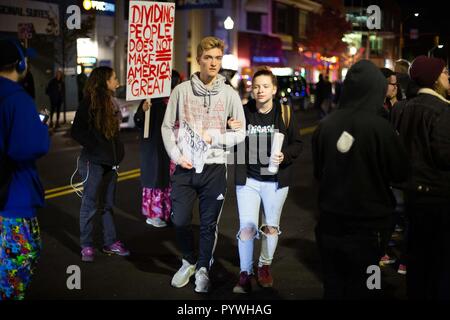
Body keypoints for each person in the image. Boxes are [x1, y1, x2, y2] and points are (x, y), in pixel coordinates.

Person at [312, 60, 410, 299]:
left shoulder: (325, 126)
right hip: (370, 225)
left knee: (334, 285)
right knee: (369, 285)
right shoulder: (381, 127)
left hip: (330, 220)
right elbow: (400, 172)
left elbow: (318, 172)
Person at [162, 36, 246, 293]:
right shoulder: (181, 91)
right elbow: (166, 127)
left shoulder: (229, 93)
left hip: (214, 168)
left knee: (209, 224)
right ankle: (187, 259)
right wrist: (177, 156)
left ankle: (202, 268)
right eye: (208, 57)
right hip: (185, 167)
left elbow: (241, 132)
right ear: (198, 59)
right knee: (180, 220)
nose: (213, 63)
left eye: (218, 58)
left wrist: (217, 137)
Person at [231, 68, 302, 294]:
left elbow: (298, 144)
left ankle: (264, 266)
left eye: (265, 86)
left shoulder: (286, 113)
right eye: (256, 86)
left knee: (271, 226)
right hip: (248, 179)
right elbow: (228, 139)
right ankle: (244, 273)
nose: (260, 90)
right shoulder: (243, 112)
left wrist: (285, 155)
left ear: (273, 89)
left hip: (275, 181)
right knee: (247, 228)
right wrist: (229, 127)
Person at [394, 56, 450, 299]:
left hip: (410, 193)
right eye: (445, 73)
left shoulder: (402, 108)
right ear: (435, 78)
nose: (448, 77)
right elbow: (445, 155)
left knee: (416, 256)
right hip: (439, 195)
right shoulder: (443, 110)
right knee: (438, 261)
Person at [0, 39, 50, 300]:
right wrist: (39, 126)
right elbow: (32, 146)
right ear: (19, 63)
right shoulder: (15, 98)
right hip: (13, 199)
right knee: (17, 264)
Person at [71, 66, 130, 263]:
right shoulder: (89, 102)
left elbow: (113, 135)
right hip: (93, 162)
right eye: (114, 78)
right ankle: (86, 245)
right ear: (104, 80)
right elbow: (77, 131)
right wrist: (96, 147)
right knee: (89, 205)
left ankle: (110, 242)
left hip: (110, 164)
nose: (117, 81)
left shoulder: (111, 103)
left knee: (108, 205)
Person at [133, 70, 182, 227]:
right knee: (156, 181)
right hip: (156, 149)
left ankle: (168, 213)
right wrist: (143, 110)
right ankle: (154, 214)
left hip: (173, 148)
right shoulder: (153, 100)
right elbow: (139, 121)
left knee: (170, 182)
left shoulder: (177, 100)